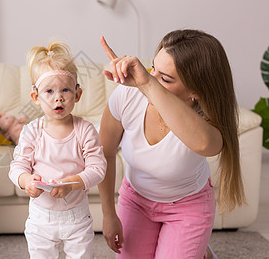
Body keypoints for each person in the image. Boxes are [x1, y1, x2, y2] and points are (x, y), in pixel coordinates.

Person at [97, 29, 245, 258]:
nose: (150, 79)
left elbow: (207, 144)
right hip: (136, 199)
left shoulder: (204, 120)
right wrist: (108, 213)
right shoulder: (126, 96)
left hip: (188, 207)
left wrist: (148, 85)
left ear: (195, 91)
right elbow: (105, 153)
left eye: (165, 79)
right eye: (152, 68)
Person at [9, 41, 107, 258]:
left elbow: (98, 168)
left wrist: (71, 184)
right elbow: (17, 166)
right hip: (41, 217)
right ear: (36, 97)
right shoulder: (31, 131)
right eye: (49, 91)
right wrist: (26, 181)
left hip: (77, 217)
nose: (58, 97)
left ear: (77, 94)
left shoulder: (85, 130)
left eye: (65, 90)